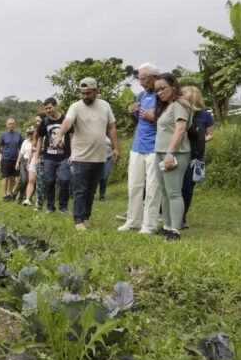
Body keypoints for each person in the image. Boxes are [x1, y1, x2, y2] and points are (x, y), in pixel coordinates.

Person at [52, 78, 120, 231]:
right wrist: (59, 135)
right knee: (80, 190)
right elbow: (68, 122)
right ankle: (78, 221)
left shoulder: (105, 105)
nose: (84, 96)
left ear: (96, 90)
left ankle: (86, 217)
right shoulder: (76, 107)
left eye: (88, 93)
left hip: (100, 155)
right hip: (82, 156)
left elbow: (111, 128)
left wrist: (116, 148)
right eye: (82, 93)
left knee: (91, 190)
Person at [119, 63, 162, 234]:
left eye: (144, 80)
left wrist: (154, 117)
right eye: (140, 80)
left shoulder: (164, 96)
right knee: (134, 185)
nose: (141, 83)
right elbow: (139, 121)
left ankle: (149, 225)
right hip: (137, 146)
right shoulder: (141, 95)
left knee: (152, 187)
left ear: (154, 77)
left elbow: (171, 123)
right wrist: (133, 113)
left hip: (155, 147)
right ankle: (133, 221)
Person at [153, 73, 192, 241]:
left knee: (174, 192)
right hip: (160, 152)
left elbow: (180, 130)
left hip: (176, 153)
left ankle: (175, 230)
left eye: (163, 88)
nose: (159, 92)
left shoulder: (180, 104)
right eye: (157, 90)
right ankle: (167, 226)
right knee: (164, 191)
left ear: (174, 87)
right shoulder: (166, 106)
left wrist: (170, 153)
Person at [180, 86, 214, 229]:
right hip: (180, 154)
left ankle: (182, 217)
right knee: (176, 187)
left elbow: (210, 134)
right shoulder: (179, 113)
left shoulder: (205, 115)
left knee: (188, 188)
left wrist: (200, 141)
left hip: (195, 157)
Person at [38, 97, 73, 214]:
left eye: (50, 107)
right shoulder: (45, 122)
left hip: (64, 156)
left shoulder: (66, 120)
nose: (48, 110)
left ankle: (63, 207)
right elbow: (39, 140)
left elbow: (72, 137)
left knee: (64, 181)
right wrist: (37, 156)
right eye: (46, 108)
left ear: (56, 106)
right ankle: (50, 207)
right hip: (49, 157)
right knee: (49, 182)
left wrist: (72, 154)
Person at [0, 118, 22, 202]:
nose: (11, 125)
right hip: (5, 159)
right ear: (7, 124)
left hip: (15, 159)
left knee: (13, 178)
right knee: (5, 178)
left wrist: (20, 159)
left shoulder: (18, 134)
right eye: (10, 124)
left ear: (15, 124)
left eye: (13, 124)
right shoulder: (3, 135)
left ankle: (9, 193)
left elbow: (21, 148)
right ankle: (4, 195)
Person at [16, 126, 38, 205]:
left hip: (33, 161)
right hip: (24, 161)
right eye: (28, 133)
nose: (30, 135)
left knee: (32, 181)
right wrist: (17, 162)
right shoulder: (25, 142)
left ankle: (29, 198)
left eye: (31, 133)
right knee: (24, 180)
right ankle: (20, 196)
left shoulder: (37, 141)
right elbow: (21, 152)